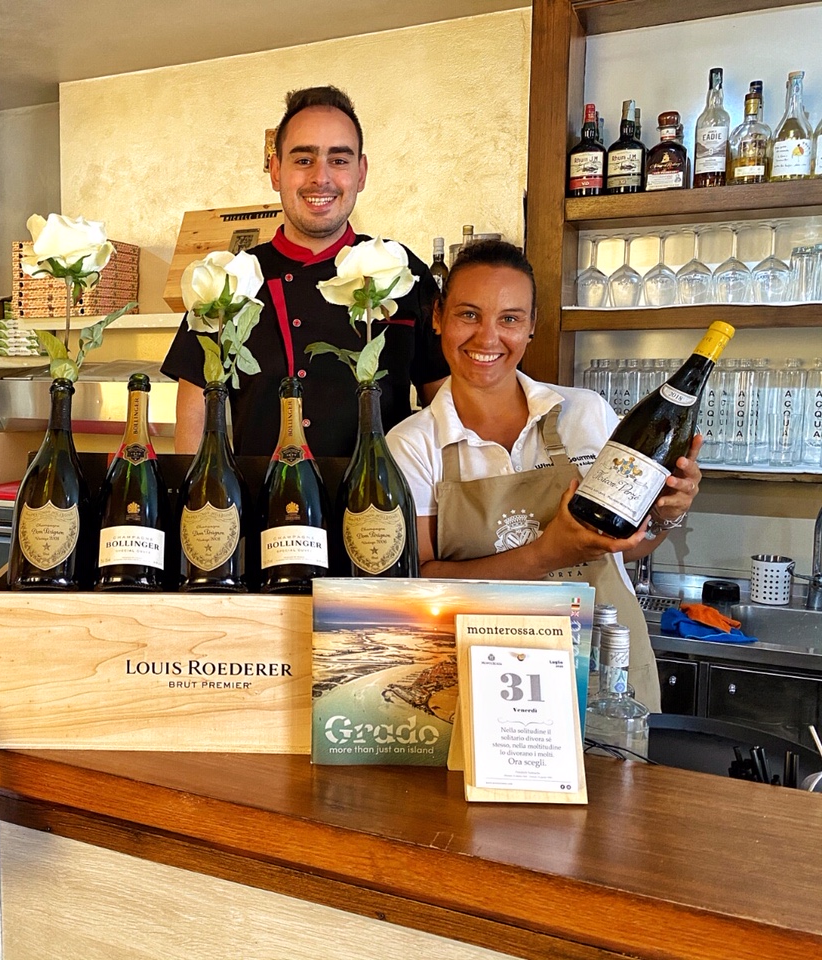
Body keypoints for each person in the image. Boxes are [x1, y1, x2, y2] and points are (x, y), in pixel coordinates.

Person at [386, 241, 703, 711]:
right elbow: (421, 583)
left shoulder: (586, 413)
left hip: (606, 671)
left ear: (532, 325)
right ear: (437, 317)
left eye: (510, 318)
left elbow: (627, 548)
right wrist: (548, 553)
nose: (487, 338)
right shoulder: (411, 444)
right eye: (469, 315)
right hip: (479, 682)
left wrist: (665, 513)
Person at [162, 85, 448, 457]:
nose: (321, 177)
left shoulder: (400, 269)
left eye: (339, 160)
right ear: (275, 171)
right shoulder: (227, 280)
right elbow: (194, 418)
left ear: (361, 173)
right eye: (303, 159)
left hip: (380, 491)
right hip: (258, 493)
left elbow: (443, 404)